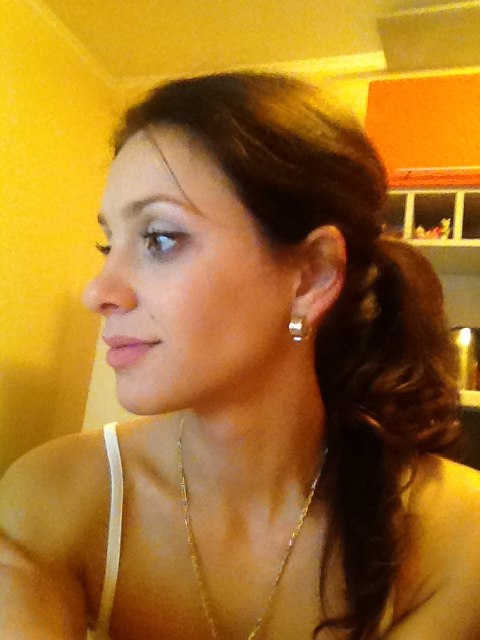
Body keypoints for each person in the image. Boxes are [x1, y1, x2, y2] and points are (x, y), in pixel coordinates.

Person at [0, 71, 479, 640]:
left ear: (311, 274)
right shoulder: (56, 498)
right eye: (109, 244)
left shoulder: (457, 533)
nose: (97, 290)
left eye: (159, 238)